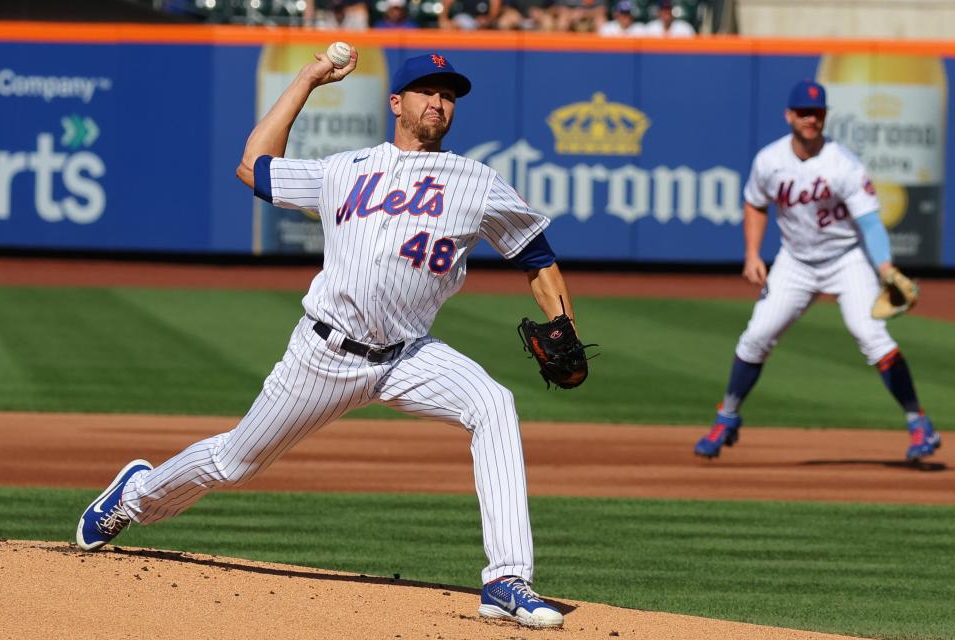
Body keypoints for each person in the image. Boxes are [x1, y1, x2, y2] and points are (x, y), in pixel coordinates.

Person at [75, 51, 579, 629]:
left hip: (409, 355)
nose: (438, 102)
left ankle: (506, 580)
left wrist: (567, 326)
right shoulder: (347, 169)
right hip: (324, 354)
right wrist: (308, 79)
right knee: (235, 461)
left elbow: (538, 260)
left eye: (449, 94)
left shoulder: (477, 183)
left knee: (494, 404)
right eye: (425, 90)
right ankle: (136, 495)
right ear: (397, 103)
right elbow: (253, 165)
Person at [694, 79, 940, 463]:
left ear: (825, 117)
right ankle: (726, 417)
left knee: (871, 334)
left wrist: (885, 266)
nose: (811, 118)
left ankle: (918, 423)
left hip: (848, 259)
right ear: (789, 115)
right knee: (756, 336)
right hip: (795, 261)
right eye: (804, 112)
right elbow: (754, 203)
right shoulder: (770, 160)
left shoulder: (843, 163)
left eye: (818, 112)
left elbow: (871, 223)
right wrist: (752, 254)